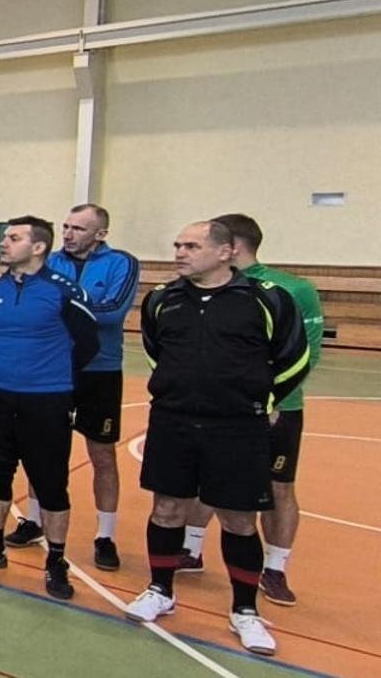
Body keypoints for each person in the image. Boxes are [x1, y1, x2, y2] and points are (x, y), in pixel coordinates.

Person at [124, 220, 308, 657]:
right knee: (167, 509)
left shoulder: (267, 300)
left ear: (225, 252)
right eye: (177, 245)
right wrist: (178, 388)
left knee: (239, 520)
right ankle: (160, 590)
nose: (180, 252)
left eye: (192, 246)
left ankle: (244, 610)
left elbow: (294, 358)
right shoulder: (162, 299)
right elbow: (156, 351)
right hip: (173, 421)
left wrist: (261, 400)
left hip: (238, 427)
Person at [179, 213, 324, 607]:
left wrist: (270, 400)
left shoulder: (292, 289)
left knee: (278, 487)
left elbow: (306, 354)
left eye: (199, 243)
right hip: (216, 409)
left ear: (231, 247)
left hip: (277, 410)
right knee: (203, 479)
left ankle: (274, 569)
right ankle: (190, 549)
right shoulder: (199, 289)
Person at [0, 217, 98, 601]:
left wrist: (51, 378)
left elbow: (88, 345)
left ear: (38, 247)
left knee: (50, 482)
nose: (4, 243)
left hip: (47, 401)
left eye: (14, 238)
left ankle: (56, 561)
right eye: (5, 237)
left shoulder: (64, 290)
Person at [19, 204, 139, 570]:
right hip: (52, 369)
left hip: (101, 370)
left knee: (102, 454)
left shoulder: (121, 263)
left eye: (79, 229)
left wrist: (59, 306)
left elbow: (113, 313)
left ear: (100, 234)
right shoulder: (50, 260)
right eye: (66, 227)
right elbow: (31, 304)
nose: (69, 234)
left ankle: (105, 536)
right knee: (41, 448)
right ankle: (34, 520)